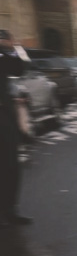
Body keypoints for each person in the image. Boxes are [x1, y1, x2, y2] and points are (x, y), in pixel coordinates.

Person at [0, 30, 28, 228]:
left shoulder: (5, 53)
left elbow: (19, 69)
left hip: (5, 114)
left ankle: (9, 211)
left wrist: (12, 48)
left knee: (11, 166)